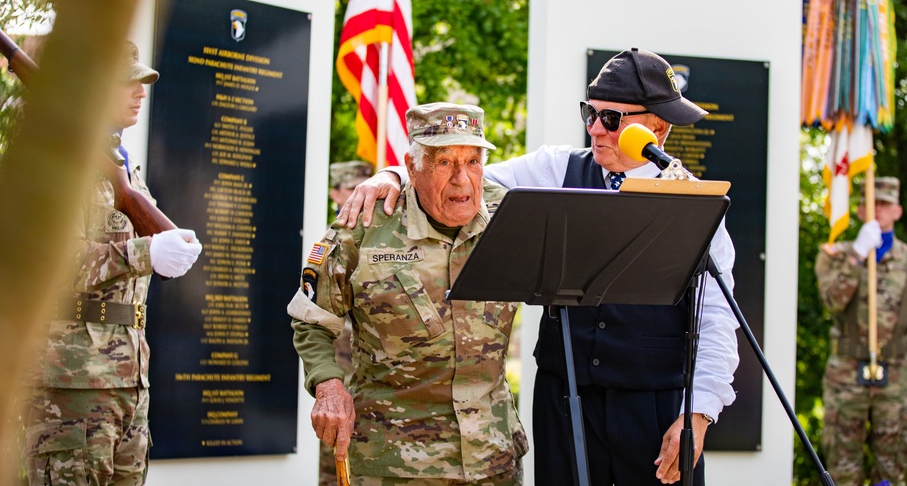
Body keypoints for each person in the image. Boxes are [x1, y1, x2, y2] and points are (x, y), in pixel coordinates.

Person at [339, 48, 739, 485]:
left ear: (657, 127)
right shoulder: (555, 168)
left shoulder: (697, 204)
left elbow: (716, 320)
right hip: (565, 401)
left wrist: (696, 416)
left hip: (654, 407)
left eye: (611, 119)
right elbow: (463, 180)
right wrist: (395, 174)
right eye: (590, 113)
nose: (594, 129)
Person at [289, 102, 528, 485]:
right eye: (444, 162)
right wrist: (328, 385)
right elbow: (311, 318)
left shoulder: (513, 217)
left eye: (473, 161)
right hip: (393, 462)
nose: (461, 180)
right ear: (411, 166)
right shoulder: (364, 225)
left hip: (493, 458)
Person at [22, 41, 203, 485]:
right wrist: (145, 252)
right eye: (126, 81)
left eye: (141, 80)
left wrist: (169, 249)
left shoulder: (121, 164)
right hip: (67, 385)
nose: (140, 91)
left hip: (126, 379)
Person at [815, 176, 907, 486]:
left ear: (898, 211)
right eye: (871, 204)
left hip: (895, 380)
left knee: (891, 471)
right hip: (845, 378)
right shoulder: (836, 255)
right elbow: (833, 301)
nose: (877, 210)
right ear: (859, 211)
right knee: (842, 471)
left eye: (885, 204)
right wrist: (858, 256)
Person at [317, 160, 374, 486]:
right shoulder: (333, 242)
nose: (361, 197)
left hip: (376, 373)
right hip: (342, 369)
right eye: (351, 190)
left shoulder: (381, 235)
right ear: (335, 194)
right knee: (336, 458)